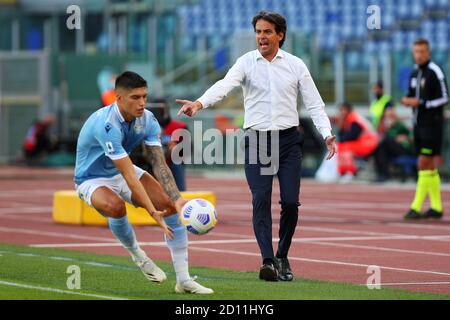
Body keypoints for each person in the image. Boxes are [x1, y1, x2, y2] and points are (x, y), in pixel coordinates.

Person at [176, 11, 337, 282]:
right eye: (258, 32)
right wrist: (199, 103)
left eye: (266, 32)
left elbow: (314, 103)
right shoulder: (246, 62)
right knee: (260, 199)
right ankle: (267, 260)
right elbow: (225, 85)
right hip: (258, 141)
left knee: (290, 203)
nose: (261, 37)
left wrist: (327, 134)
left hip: (288, 142)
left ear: (280, 35)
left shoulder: (296, 65)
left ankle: (282, 255)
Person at [73, 71, 213, 294]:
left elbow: (158, 164)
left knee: (169, 207)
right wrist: (151, 212)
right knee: (116, 207)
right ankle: (138, 255)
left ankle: (184, 280)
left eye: (144, 96)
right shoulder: (107, 125)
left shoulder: (148, 119)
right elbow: (129, 175)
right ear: (119, 98)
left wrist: (178, 200)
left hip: (122, 169)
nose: (142, 103)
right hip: (91, 178)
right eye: (135, 98)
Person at [401, 38, 448, 220]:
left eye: (422, 51)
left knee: (422, 162)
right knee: (428, 166)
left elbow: (444, 98)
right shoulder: (414, 73)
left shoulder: (435, 71)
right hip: (418, 125)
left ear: (428, 52)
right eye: (416, 51)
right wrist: (407, 100)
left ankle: (416, 206)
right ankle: (436, 207)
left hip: (432, 125)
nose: (419, 55)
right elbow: (411, 95)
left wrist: (422, 103)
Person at [336, 102, 379, 182]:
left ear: (348, 110)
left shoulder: (354, 119)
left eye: (343, 110)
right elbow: (342, 136)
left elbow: (353, 136)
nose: (341, 112)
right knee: (341, 146)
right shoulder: (349, 119)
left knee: (345, 147)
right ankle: (343, 172)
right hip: (365, 142)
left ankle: (349, 173)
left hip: (369, 142)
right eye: (340, 110)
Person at [373, 108, 415, 182]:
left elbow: (412, 137)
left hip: (403, 149)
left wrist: (406, 138)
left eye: (390, 116)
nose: (389, 119)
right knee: (379, 148)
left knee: (384, 141)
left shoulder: (400, 125)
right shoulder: (387, 128)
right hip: (390, 150)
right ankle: (382, 174)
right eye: (387, 117)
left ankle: (384, 174)